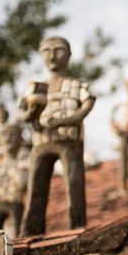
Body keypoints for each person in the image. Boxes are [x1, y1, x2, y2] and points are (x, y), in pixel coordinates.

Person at [19, 36, 95, 235]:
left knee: (74, 185)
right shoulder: (34, 87)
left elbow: (86, 106)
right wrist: (30, 114)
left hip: (70, 142)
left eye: (58, 50)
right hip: (41, 142)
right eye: (46, 50)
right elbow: (22, 112)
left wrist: (63, 121)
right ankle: (30, 232)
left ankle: (76, 228)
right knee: (35, 188)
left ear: (68, 55)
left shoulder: (77, 85)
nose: (52, 55)